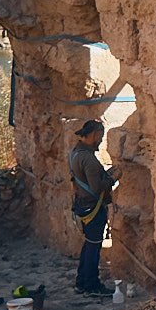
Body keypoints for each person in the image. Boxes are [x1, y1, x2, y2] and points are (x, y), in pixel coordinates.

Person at [68, 119, 116, 295]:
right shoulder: (87, 158)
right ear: (94, 135)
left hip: (83, 206)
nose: (101, 140)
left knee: (89, 245)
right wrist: (113, 178)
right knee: (94, 247)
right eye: (100, 136)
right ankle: (92, 285)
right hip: (93, 208)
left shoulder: (75, 153)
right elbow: (96, 187)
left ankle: (81, 282)